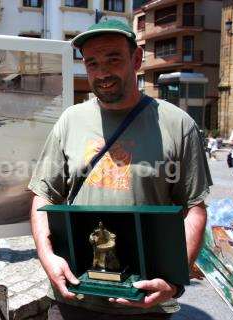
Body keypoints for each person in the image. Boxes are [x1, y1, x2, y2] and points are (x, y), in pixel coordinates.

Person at [28, 19, 212, 320]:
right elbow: (43, 196)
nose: (102, 73)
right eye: (92, 63)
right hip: (73, 298)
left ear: (137, 59)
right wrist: (47, 258)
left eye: (113, 59)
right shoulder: (69, 121)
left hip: (145, 301)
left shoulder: (178, 126)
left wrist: (174, 283)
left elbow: (194, 208)